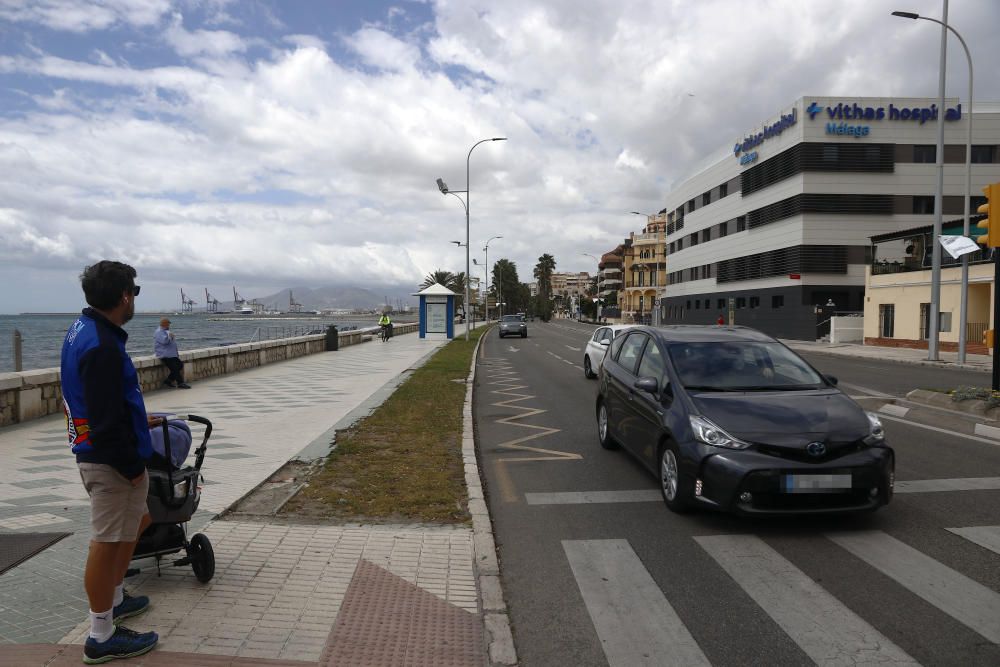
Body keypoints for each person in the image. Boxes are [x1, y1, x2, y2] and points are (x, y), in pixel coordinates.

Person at [61, 261, 160, 664]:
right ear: (124, 296)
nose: (134, 297)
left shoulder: (84, 330)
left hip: (103, 454)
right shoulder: (101, 346)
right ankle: (101, 634)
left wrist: (139, 419)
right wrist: (133, 467)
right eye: (134, 290)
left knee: (139, 523)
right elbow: (103, 422)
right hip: (109, 461)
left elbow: (101, 401)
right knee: (105, 542)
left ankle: (115, 599)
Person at [154, 318, 190, 389]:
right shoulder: (159, 332)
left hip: (171, 354)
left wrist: (170, 336)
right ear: (164, 324)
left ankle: (168, 380)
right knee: (175, 368)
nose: (169, 325)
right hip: (165, 355)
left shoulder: (165, 331)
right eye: (168, 324)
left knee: (179, 365)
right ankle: (180, 383)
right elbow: (164, 342)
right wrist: (170, 337)